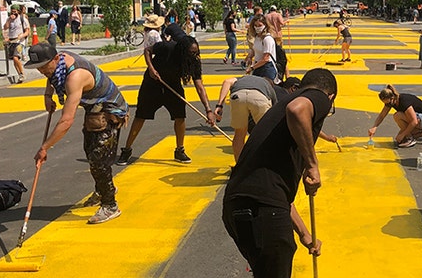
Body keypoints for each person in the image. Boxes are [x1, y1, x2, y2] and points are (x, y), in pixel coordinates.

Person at [221, 68, 334, 278]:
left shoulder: (278, 123)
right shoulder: (314, 97)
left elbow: (279, 197)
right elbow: (299, 110)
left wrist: (304, 233)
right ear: (330, 98)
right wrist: (313, 164)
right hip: (259, 211)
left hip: (243, 206)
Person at [27, 42, 128, 224]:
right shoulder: (59, 63)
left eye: (43, 66)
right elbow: (51, 76)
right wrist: (48, 96)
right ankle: (102, 188)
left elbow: (66, 121)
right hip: (93, 108)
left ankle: (110, 204)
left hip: (109, 110)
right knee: (90, 152)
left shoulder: (75, 76)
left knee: (99, 159)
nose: (42, 71)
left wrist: (44, 148)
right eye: (38, 68)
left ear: (55, 59)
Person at [117, 34, 213, 166]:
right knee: (141, 116)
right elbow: (147, 50)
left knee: (180, 117)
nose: (194, 55)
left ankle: (180, 150)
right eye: (191, 52)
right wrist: (151, 68)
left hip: (173, 86)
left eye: (196, 52)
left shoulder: (194, 61)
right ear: (183, 50)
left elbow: (200, 86)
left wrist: (208, 110)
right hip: (152, 84)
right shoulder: (167, 47)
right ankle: (127, 150)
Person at [210, 73, 280, 162]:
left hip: (238, 96)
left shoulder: (242, 78)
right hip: (259, 97)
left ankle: (239, 166)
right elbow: (274, 111)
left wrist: (219, 105)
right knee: (265, 132)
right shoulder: (268, 86)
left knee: (239, 134)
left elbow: (227, 81)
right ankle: (266, 163)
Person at [369, 84, 422, 148]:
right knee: (400, 139)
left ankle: (410, 138)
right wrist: (374, 127)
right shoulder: (391, 102)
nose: (387, 105)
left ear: (392, 98)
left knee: (397, 116)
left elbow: (414, 121)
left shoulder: (403, 101)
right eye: (385, 103)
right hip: (418, 117)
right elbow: (382, 115)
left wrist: (403, 134)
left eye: (388, 103)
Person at [247, 15, 278, 81]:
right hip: (258, 66)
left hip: (267, 68)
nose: (257, 27)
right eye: (255, 25)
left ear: (265, 25)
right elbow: (255, 50)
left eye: (260, 25)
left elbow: (265, 58)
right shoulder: (257, 37)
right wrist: (249, 57)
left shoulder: (267, 39)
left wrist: (252, 68)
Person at [3, 6, 30, 83]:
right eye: (12, 11)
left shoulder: (23, 19)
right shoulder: (10, 19)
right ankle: (19, 74)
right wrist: (9, 20)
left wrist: (21, 36)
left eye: (15, 11)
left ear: (18, 11)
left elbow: (27, 31)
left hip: (20, 42)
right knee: (14, 61)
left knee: (16, 57)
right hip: (12, 41)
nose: (13, 13)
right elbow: (5, 28)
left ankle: (22, 74)